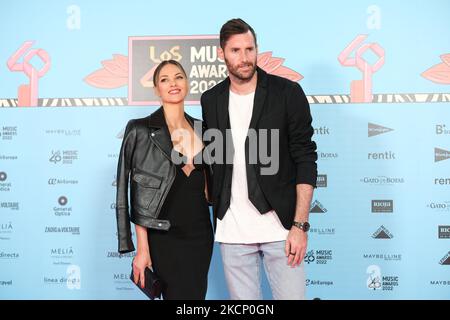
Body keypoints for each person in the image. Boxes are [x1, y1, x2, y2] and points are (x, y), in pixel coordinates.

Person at [201, 18, 317, 300]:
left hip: (281, 228)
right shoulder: (211, 99)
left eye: (250, 49)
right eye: (236, 51)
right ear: (222, 54)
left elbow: (305, 157)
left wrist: (299, 226)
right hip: (232, 229)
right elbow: (214, 158)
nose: (245, 58)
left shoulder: (287, 93)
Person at [116, 60, 213, 300]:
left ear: (187, 84)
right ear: (156, 89)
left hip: (200, 235)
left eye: (179, 77)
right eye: (164, 79)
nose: (173, 83)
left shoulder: (205, 129)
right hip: (164, 236)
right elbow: (131, 192)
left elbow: (212, 186)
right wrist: (141, 248)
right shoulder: (140, 130)